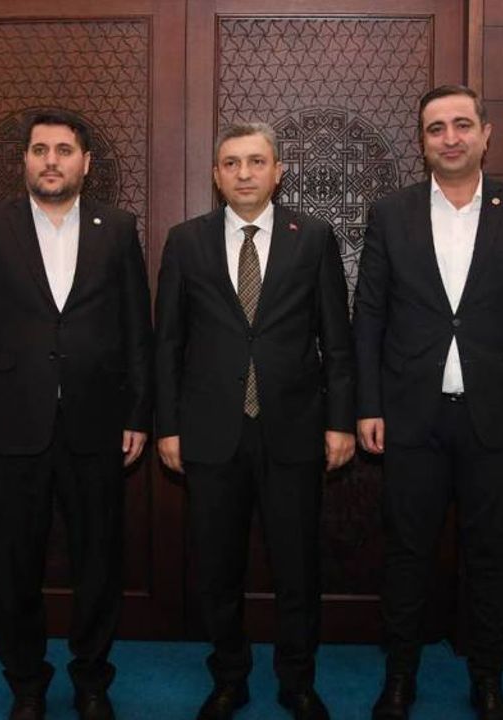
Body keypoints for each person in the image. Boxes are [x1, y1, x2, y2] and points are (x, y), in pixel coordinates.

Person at [353, 84, 503, 720]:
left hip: (497, 419)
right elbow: (369, 316)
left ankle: (489, 680)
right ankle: (399, 677)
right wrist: (368, 404)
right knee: (406, 555)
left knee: (492, 556)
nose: (450, 137)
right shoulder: (391, 213)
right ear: (422, 142)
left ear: (485, 133)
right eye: (436, 128)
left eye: (462, 125)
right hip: (410, 417)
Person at [0, 110, 152, 720]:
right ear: (25, 161)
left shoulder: (118, 229)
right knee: (14, 567)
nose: (51, 160)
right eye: (39, 150)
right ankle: (26, 684)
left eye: (63, 150)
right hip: (10, 427)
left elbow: (137, 332)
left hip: (98, 426)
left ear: (86, 162)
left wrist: (138, 414)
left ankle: (92, 681)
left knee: (98, 565)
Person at [154, 121, 355, 720]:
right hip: (211, 432)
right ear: (216, 176)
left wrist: (340, 421)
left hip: (293, 429)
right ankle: (229, 677)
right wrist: (168, 426)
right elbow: (167, 343)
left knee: (298, 568)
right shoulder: (185, 241)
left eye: (256, 162)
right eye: (232, 163)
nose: (244, 173)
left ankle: (297, 681)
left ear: (278, 171)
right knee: (217, 568)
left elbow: (336, 340)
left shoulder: (312, 237)